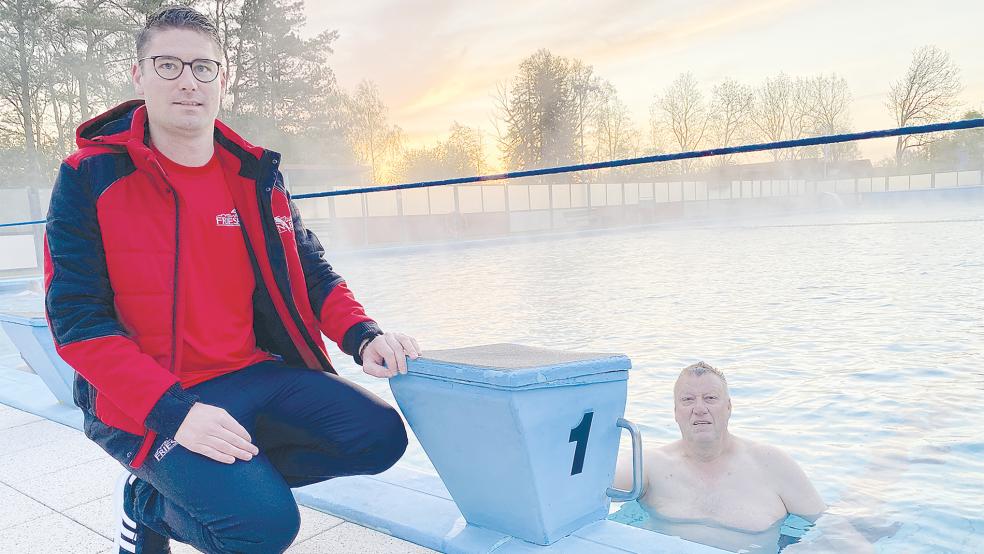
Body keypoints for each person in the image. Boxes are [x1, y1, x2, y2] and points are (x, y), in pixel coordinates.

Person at [44, 7, 418, 553]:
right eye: (168, 65)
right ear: (139, 75)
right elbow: (77, 321)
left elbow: (309, 270)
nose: (188, 81)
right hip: (150, 399)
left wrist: (362, 335)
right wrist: (175, 414)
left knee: (378, 437)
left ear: (223, 79)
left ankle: (190, 489)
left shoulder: (254, 175)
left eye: (203, 67)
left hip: (252, 374)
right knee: (263, 528)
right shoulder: (89, 176)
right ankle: (150, 502)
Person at [614, 361, 827, 550]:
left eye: (710, 398)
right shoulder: (650, 465)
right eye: (688, 399)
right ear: (676, 412)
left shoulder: (773, 464)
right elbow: (601, 479)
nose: (699, 408)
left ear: (728, 407)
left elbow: (828, 529)